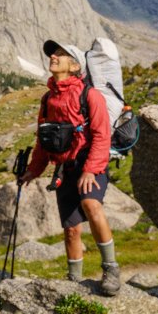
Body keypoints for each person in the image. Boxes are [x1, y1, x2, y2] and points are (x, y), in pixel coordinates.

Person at [20, 39, 121, 296]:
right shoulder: (47, 100)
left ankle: (111, 269)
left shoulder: (91, 96)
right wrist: (34, 169)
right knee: (71, 230)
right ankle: (74, 282)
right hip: (65, 168)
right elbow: (45, 139)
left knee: (91, 205)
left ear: (75, 66)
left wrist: (90, 169)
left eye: (61, 54)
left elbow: (101, 135)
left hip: (90, 163)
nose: (53, 56)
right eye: (53, 54)